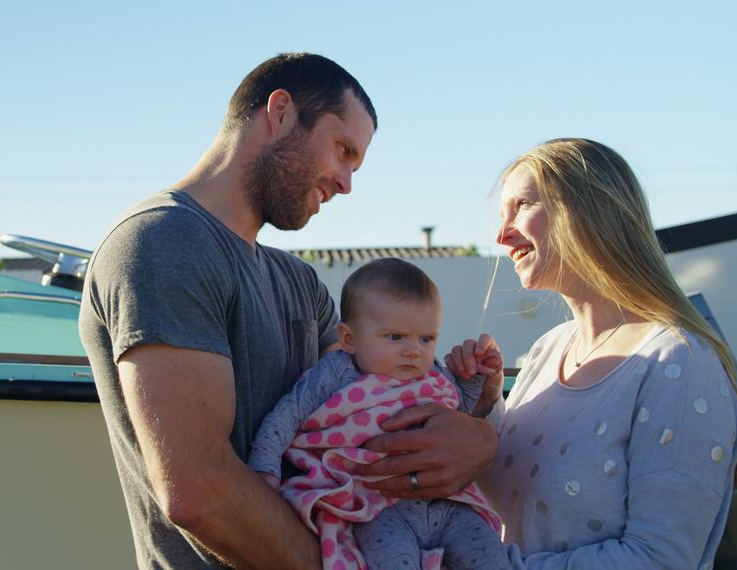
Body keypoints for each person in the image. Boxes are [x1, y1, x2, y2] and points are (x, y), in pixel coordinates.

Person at [79, 52, 498, 569]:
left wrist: (479, 435)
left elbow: (374, 408)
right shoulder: (164, 242)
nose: (347, 183)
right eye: (343, 150)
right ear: (279, 113)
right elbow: (199, 490)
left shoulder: (300, 283)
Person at [445, 138, 737, 569]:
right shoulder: (548, 351)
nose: (502, 233)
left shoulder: (678, 363)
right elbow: (520, 494)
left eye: (522, 206)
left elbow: (659, 559)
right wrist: (486, 407)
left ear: (587, 210)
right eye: (502, 214)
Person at [248, 258, 509, 570]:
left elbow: (461, 415)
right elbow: (288, 414)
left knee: (492, 558)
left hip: (450, 505)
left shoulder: (434, 373)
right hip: (377, 508)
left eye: (426, 338)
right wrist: (265, 465)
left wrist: (476, 379)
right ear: (348, 339)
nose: (414, 350)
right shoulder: (337, 373)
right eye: (396, 337)